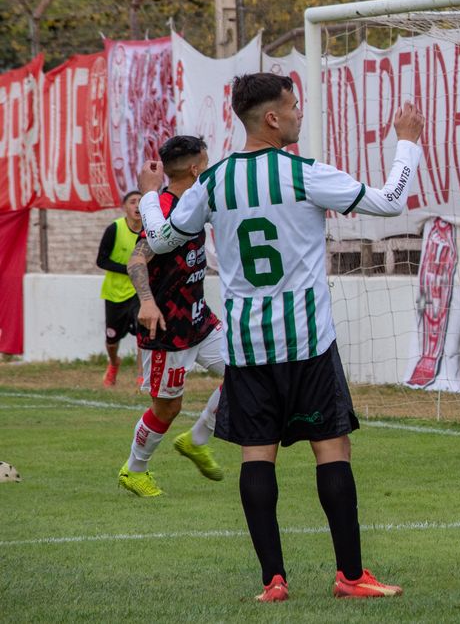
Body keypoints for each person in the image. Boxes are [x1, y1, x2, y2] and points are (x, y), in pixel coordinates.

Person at [137, 72, 424, 602]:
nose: (297, 114)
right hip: (309, 340)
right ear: (272, 118)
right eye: (293, 107)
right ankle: (351, 576)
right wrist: (407, 141)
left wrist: (154, 195)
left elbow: (158, 238)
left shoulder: (215, 181)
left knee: (256, 456)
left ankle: (273, 581)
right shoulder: (303, 173)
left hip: (247, 346)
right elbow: (390, 202)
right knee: (332, 449)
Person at [117, 135, 226, 498]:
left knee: (247, 371)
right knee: (168, 407)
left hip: (200, 320)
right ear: (195, 168)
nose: (209, 166)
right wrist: (146, 302)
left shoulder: (194, 202)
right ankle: (134, 470)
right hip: (167, 329)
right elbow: (137, 259)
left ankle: (197, 439)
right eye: (206, 161)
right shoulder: (162, 207)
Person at [97, 191, 144, 387]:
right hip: (115, 293)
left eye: (141, 202)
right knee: (112, 339)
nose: (137, 206)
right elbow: (101, 260)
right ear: (124, 207)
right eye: (133, 202)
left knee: (144, 333)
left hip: (140, 292)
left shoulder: (150, 231)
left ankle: (142, 376)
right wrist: (128, 269)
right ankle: (114, 363)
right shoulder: (114, 229)